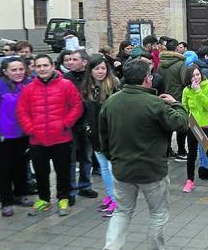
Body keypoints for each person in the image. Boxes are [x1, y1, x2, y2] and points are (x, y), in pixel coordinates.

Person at [99, 60, 188, 249]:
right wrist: (177, 104)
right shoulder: (155, 103)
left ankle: (111, 247)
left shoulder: (111, 102)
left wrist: (113, 158)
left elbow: (104, 139)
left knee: (122, 211)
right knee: (158, 213)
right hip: (152, 171)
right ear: (146, 79)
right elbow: (181, 124)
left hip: (122, 169)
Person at [17, 54, 83, 216]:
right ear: (34, 68)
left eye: (45, 65)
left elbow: (77, 106)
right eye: (38, 66)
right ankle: (44, 200)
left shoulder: (66, 85)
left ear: (52, 66)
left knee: (63, 170)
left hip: (61, 138)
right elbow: (22, 111)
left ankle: (63, 198)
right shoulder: (29, 89)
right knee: (40, 172)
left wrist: (65, 124)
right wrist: (31, 129)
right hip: (37, 140)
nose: (42, 69)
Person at [81, 54, 121, 217]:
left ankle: (117, 201)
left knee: (112, 169)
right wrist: (87, 128)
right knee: (104, 168)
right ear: (90, 71)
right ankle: (111, 196)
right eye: (97, 68)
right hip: (95, 135)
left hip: (110, 136)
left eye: (103, 68)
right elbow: (85, 112)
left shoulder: (113, 86)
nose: (100, 71)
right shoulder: (88, 88)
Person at [0, 57, 34, 217]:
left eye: (21, 69)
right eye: (14, 70)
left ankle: (20, 195)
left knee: (21, 166)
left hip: (24, 133)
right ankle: (6, 201)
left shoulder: (29, 83)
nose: (18, 73)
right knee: (5, 169)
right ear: (5, 71)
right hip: (4, 136)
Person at [63, 49, 98, 205]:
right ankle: (70, 190)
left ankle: (85, 185)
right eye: (69, 59)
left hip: (86, 124)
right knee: (70, 159)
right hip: (70, 125)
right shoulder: (65, 79)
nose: (70, 62)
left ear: (84, 62)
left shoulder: (91, 78)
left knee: (86, 157)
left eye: (74, 59)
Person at [181, 64, 208, 195]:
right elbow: (184, 106)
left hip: (207, 125)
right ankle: (189, 180)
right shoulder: (186, 90)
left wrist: (198, 91)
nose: (196, 78)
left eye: (197, 75)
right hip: (193, 125)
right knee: (191, 154)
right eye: (193, 76)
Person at [157, 39, 188, 161]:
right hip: (178, 98)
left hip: (164, 97)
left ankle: (167, 149)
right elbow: (184, 81)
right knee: (181, 124)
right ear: (176, 49)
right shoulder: (181, 63)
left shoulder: (160, 63)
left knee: (167, 124)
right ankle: (181, 151)